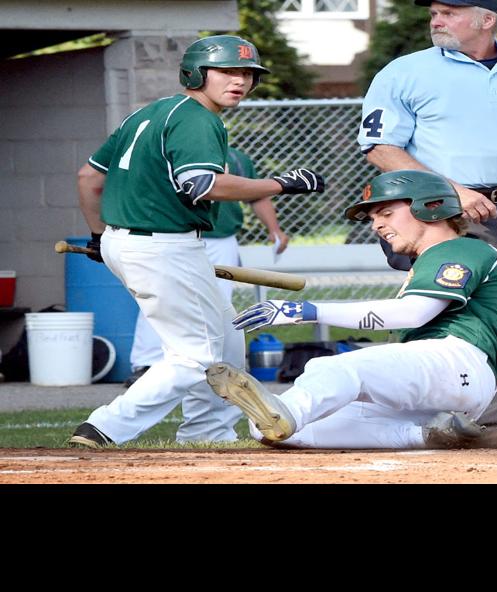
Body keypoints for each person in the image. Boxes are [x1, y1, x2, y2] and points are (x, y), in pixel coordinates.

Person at [67, 35, 326, 449]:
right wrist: (278, 183)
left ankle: (208, 433)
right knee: (195, 356)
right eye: (226, 71)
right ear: (195, 74)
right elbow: (201, 185)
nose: (239, 81)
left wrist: (99, 236)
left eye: (246, 73)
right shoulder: (197, 118)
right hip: (163, 246)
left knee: (227, 336)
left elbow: (88, 178)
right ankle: (105, 426)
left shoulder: (149, 113)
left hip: (141, 241)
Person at [358, 0, 497, 428]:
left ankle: (496, 427)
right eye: (434, 13)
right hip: (440, 212)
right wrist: (452, 191)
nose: (436, 21)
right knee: (441, 312)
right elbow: (380, 148)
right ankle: (427, 419)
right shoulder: (404, 72)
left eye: (450, 12)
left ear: (487, 19)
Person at [206, 169, 497, 450]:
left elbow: (413, 313)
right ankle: (430, 434)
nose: (377, 225)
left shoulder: (460, 248)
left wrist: (307, 311)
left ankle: (290, 412)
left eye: (387, 213)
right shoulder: (433, 258)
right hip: (435, 382)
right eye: (374, 218)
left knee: (330, 369)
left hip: (455, 363)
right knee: (272, 430)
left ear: (431, 207)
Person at [123, 145, 288, 395]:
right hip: (175, 235)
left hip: (221, 238)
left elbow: (257, 196)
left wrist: (274, 229)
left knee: (218, 302)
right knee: (159, 296)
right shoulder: (169, 154)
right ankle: (146, 363)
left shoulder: (235, 157)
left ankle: (212, 363)